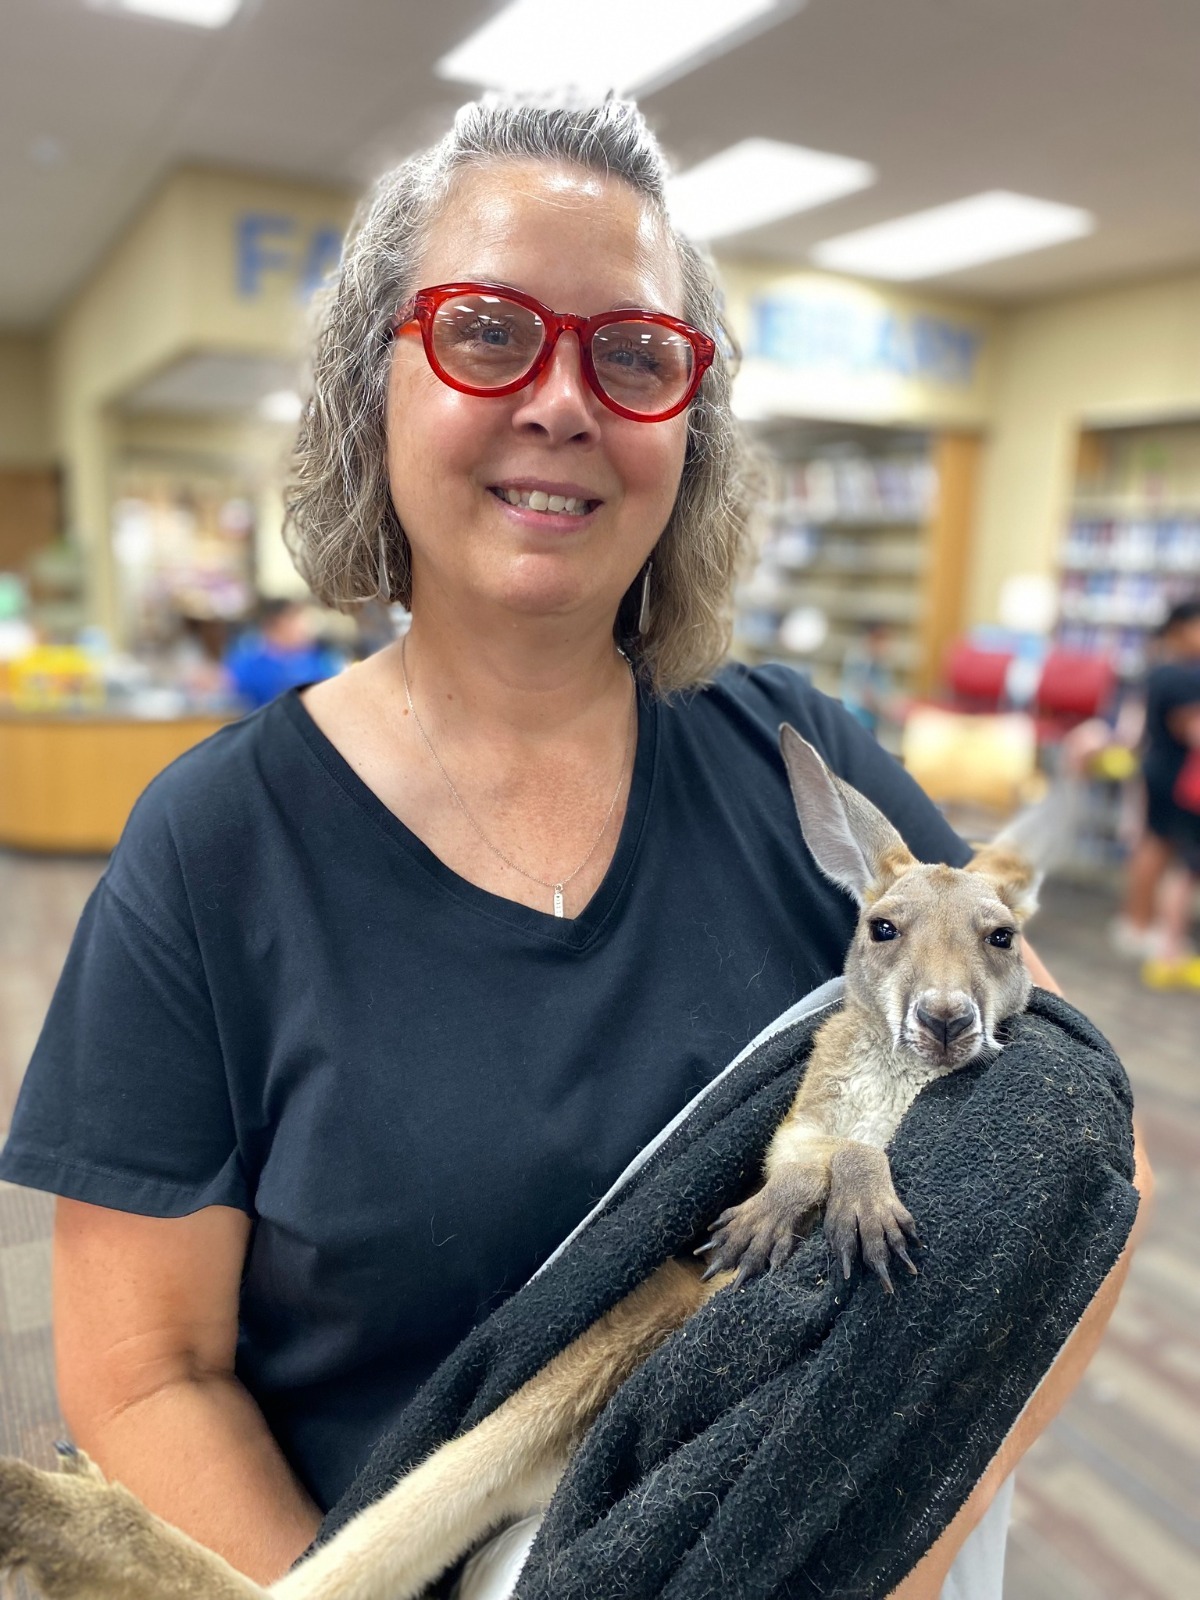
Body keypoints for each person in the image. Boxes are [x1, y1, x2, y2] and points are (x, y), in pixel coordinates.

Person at [0, 99, 1148, 1597]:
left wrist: (887, 1528)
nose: (562, 400)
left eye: (634, 353)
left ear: (693, 423)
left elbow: (1083, 1154)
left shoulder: (795, 762)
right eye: (487, 330)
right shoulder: (215, 847)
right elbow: (149, 1373)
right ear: (378, 383)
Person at [1114, 597, 1200, 984]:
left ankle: (1138, 923)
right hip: (1176, 776)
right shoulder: (1181, 675)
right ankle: (1144, 927)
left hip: (1162, 770)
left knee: (1154, 847)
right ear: (1181, 630)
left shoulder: (1160, 670)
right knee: (1161, 850)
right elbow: (1191, 728)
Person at [223, 597, 343, 709]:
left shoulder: (322, 659)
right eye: (296, 619)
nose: (305, 627)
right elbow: (233, 699)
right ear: (277, 623)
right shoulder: (249, 663)